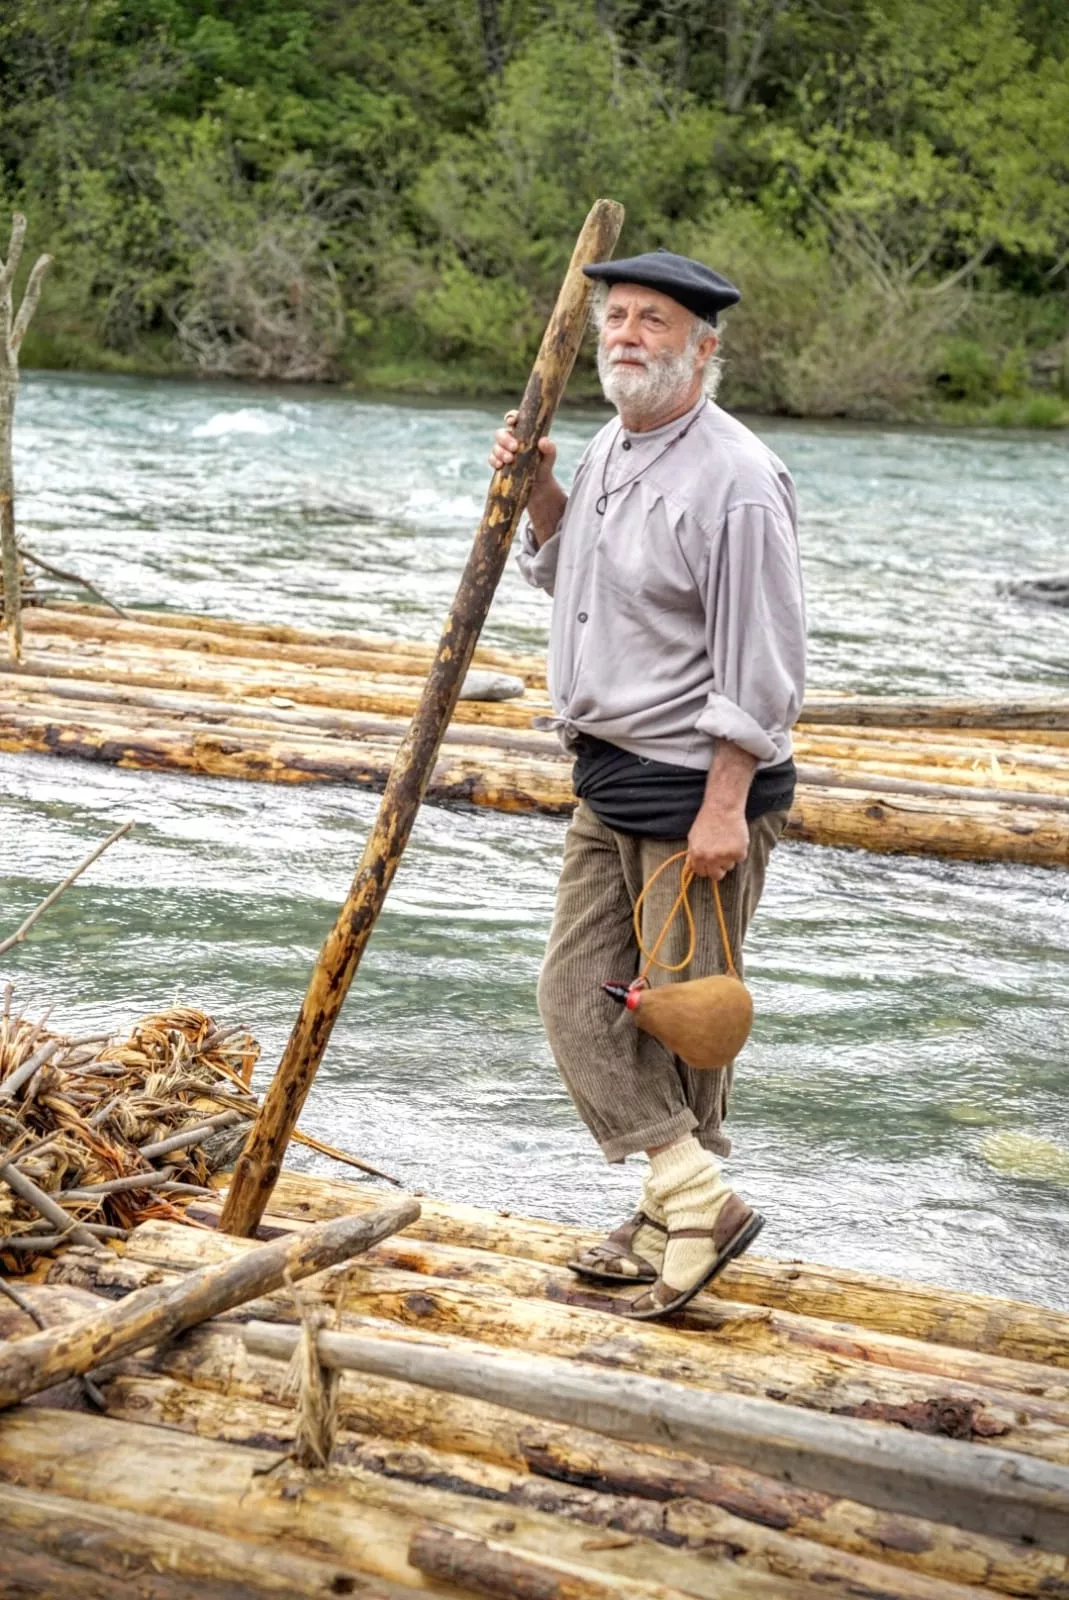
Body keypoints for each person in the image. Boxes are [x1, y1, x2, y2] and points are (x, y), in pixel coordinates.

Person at [488, 249, 806, 1320]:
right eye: (615, 316)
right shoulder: (611, 442)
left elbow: (761, 663)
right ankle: (690, 1195)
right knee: (580, 997)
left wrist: (725, 804)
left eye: (654, 321)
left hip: (697, 790)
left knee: (685, 1018)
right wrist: (540, 491)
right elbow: (568, 567)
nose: (626, 334)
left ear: (704, 349)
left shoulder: (738, 480)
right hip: (608, 775)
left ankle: (676, 1206)